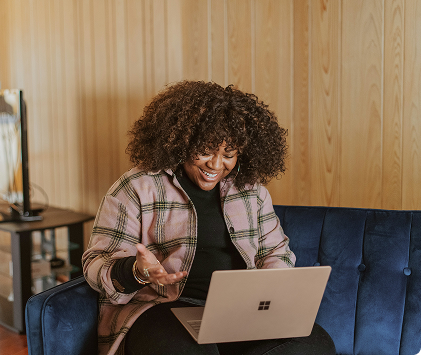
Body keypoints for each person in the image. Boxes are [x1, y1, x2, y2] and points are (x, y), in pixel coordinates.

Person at [82, 80, 335, 355]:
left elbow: (276, 253)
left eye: (228, 154)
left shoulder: (253, 192)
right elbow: (96, 264)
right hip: (162, 309)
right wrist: (136, 271)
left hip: (239, 312)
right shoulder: (137, 187)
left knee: (314, 345)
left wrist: (268, 294)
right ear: (181, 142)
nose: (216, 165)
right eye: (205, 151)